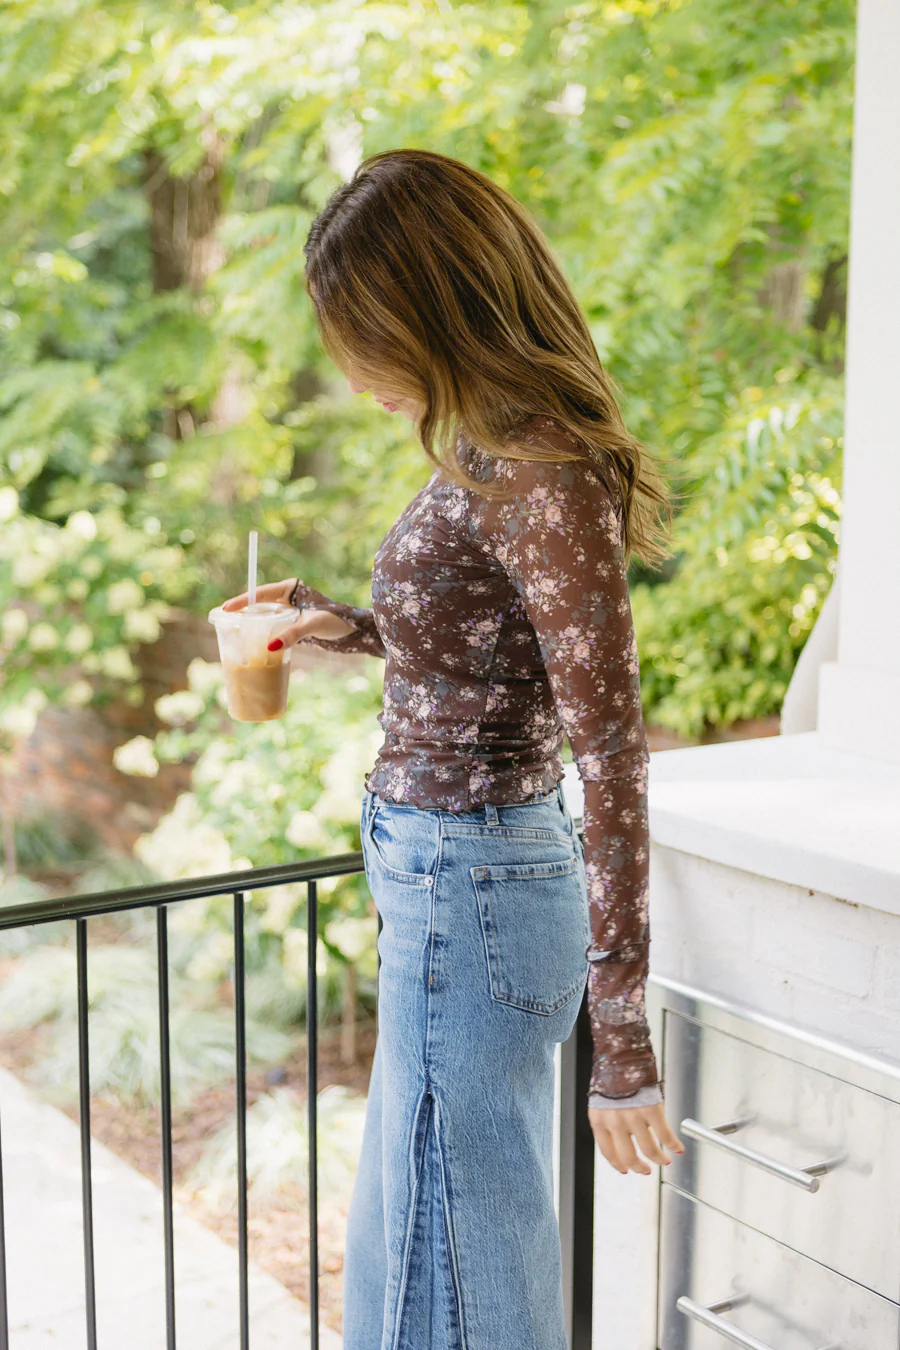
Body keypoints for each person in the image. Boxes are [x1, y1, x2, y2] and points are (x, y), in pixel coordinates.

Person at [223, 147, 685, 1350]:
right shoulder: (485, 447)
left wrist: (622, 1034)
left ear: (436, 308)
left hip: (474, 884)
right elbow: (473, 650)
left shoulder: (541, 473)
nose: (356, 372)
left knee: (455, 1272)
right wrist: (329, 622)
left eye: (368, 337)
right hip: (446, 882)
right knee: (417, 1245)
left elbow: (612, 750)